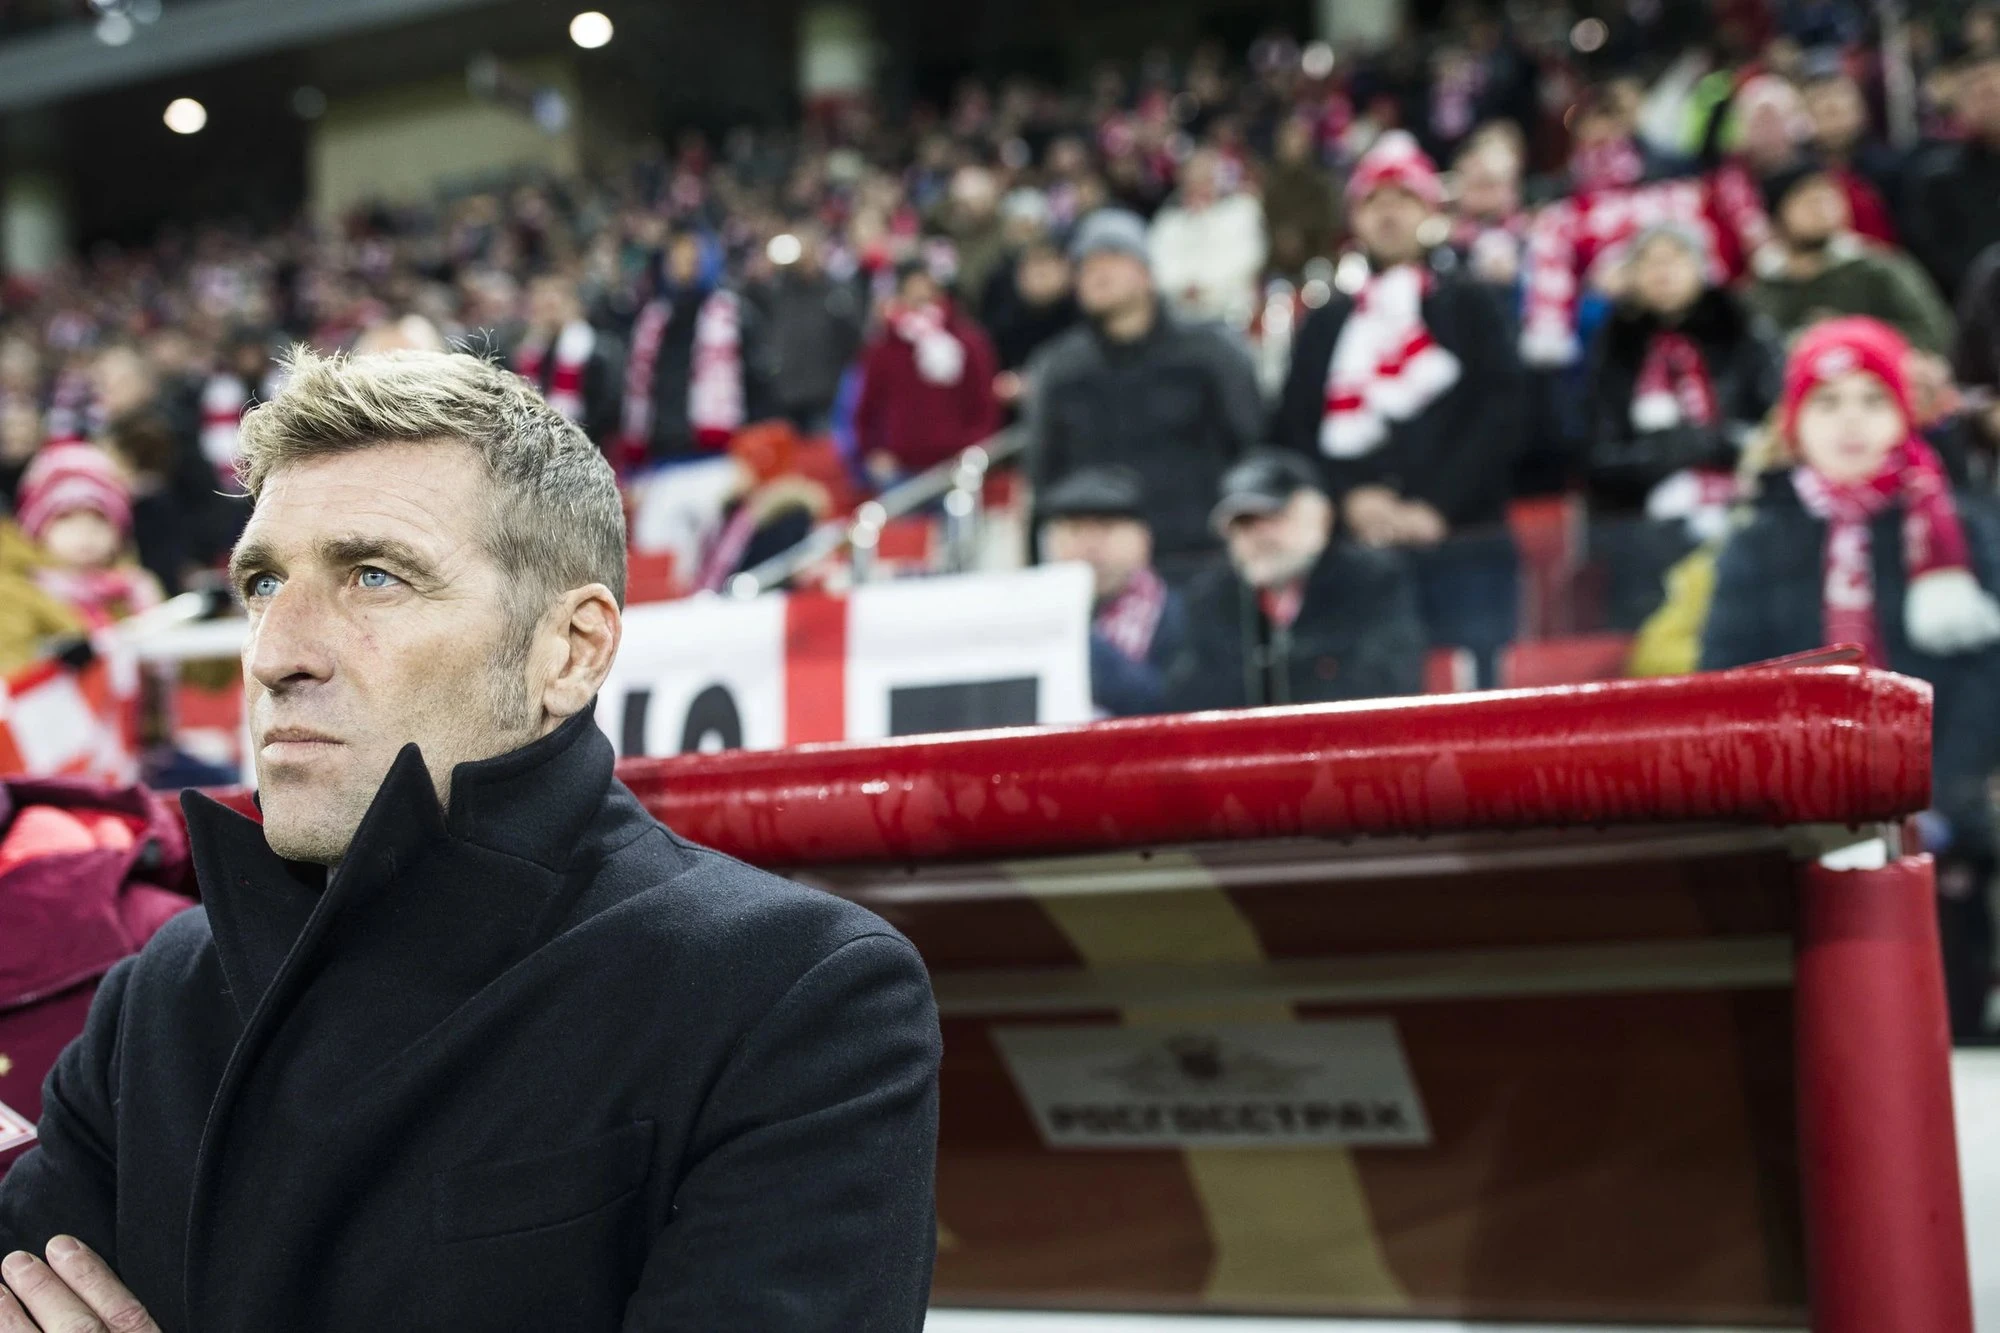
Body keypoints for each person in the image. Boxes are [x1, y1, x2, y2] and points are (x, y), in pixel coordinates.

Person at [0, 349, 942, 1329]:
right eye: (263, 583)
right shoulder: (160, 999)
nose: (275, 653)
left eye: (374, 576)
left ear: (571, 649)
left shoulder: (794, 997)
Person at [1702, 317, 2000, 1041]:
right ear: (1794, 421)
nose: (1851, 422)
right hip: (1800, 812)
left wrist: (1943, 790)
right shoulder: (1758, 537)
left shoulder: (1960, 525)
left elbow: (1986, 676)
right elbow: (1726, 681)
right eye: (1828, 402)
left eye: (1872, 399)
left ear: (1905, 413)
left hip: (1945, 810)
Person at [1272, 131, 1525, 684]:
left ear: (1430, 210)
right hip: (1355, 550)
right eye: (1373, 201)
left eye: (1403, 199)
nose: (1388, 214)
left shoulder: (1470, 302)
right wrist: (1350, 498)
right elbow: (1295, 427)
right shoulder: (1327, 322)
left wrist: (1436, 506)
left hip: (1465, 542)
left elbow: (1502, 412)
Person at [1025, 208, 1264, 584]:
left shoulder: (1211, 352)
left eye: (1112, 259)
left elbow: (1252, 449)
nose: (1098, 274)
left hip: (1199, 560)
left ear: (1147, 273)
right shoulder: (1058, 367)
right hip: (1099, 573)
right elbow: (1043, 475)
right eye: (1085, 267)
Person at [1167, 451, 1425, 710]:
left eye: (1273, 516)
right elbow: (1191, 694)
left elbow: (1388, 678)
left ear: (1321, 516)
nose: (1259, 536)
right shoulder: (1210, 597)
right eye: (1243, 524)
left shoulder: (1370, 579)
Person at [1745, 157, 1956, 355]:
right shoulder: (1762, 290)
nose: (1823, 210)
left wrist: (1850, 334)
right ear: (1777, 216)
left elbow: (1937, 334)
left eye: (1829, 198)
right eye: (1809, 201)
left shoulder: (1878, 269)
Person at [1037, 467, 1187, 717]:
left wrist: (1074, 635)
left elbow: (1163, 701)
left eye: (1106, 528)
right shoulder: (1031, 617)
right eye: (1074, 530)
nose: (1089, 546)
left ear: (1143, 539)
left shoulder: (1182, 615)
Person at [619, 227, 772, 467]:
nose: (683, 267)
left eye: (691, 259)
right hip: (661, 447)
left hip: (716, 449)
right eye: (676, 259)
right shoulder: (653, 319)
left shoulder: (732, 313)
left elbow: (758, 378)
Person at [852, 262, 1001, 485]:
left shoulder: (969, 343)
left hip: (956, 466)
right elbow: (866, 409)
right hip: (900, 470)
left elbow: (984, 403)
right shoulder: (882, 349)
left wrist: (973, 447)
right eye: (914, 296)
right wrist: (873, 452)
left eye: (927, 295)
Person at [13, 443, 161, 629]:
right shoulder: (24, 593)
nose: (85, 532)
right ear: (38, 528)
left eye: (100, 520)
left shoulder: (135, 588)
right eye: (67, 519)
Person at [1903, 48, 2000, 297]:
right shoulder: (1935, 179)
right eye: (1978, 94)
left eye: (1994, 91)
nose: (1991, 103)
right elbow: (1931, 258)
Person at [759, 223, 865, 434]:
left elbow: (854, 338)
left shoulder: (835, 291)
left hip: (823, 393)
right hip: (785, 393)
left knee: (820, 450)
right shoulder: (780, 289)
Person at [1147, 148, 1269, 328]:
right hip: (1179, 317)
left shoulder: (1242, 211)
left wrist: (1204, 287)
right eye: (1193, 179)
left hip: (1234, 316)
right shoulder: (1168, 223)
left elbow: (1249, 257)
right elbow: (1157, 268)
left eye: (1205, 178)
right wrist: (1186, 286)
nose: (1199, 185)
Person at [509, 273, 624, 448]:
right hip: (537, 444)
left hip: (586, 444)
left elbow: (609, 406)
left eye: (552, 305)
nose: (546, 313)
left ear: (574, 305)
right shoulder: (530, 350)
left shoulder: (600, 349)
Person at [1800, 62, 1905, 237]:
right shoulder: (1797, 175)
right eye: (1820, 104)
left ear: (1862, 111)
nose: (1830, 106)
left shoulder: (1891, 170)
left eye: (1840, 104)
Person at [1261, 116, 1341, 280]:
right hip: (1277, 263)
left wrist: (1301, 236)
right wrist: (1281, 238)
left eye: (1298, 141)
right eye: (1288, 141)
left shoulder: (1321, 185)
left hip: (1315, 258)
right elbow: (1266, 220)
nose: (1293, 147)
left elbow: (1329, 223)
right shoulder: (1270, 185)